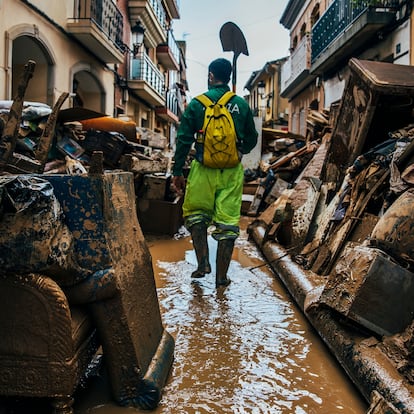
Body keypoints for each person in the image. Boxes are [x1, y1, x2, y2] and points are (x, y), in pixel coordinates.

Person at [172, 57, 258, 288]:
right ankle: (221, 277)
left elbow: (182, 140)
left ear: (211, 75)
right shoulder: (240, 104)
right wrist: (239, 150)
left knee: (196, 215)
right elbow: (252, 138)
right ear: (228, 76)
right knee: (228, 223)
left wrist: (177, 170)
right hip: (231, 172)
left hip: (202, 169)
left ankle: (202, 265)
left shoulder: (197, 104)